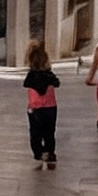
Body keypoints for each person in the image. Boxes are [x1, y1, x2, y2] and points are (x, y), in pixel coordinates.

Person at [23, 40, 60, 169]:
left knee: (35, 132)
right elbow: (57, 83)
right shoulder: (50, 75)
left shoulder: (30, 76)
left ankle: (38, 152)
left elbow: (25, 84)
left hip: (35, 108)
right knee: (50, 131)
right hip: (50, 107)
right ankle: (50, 151)